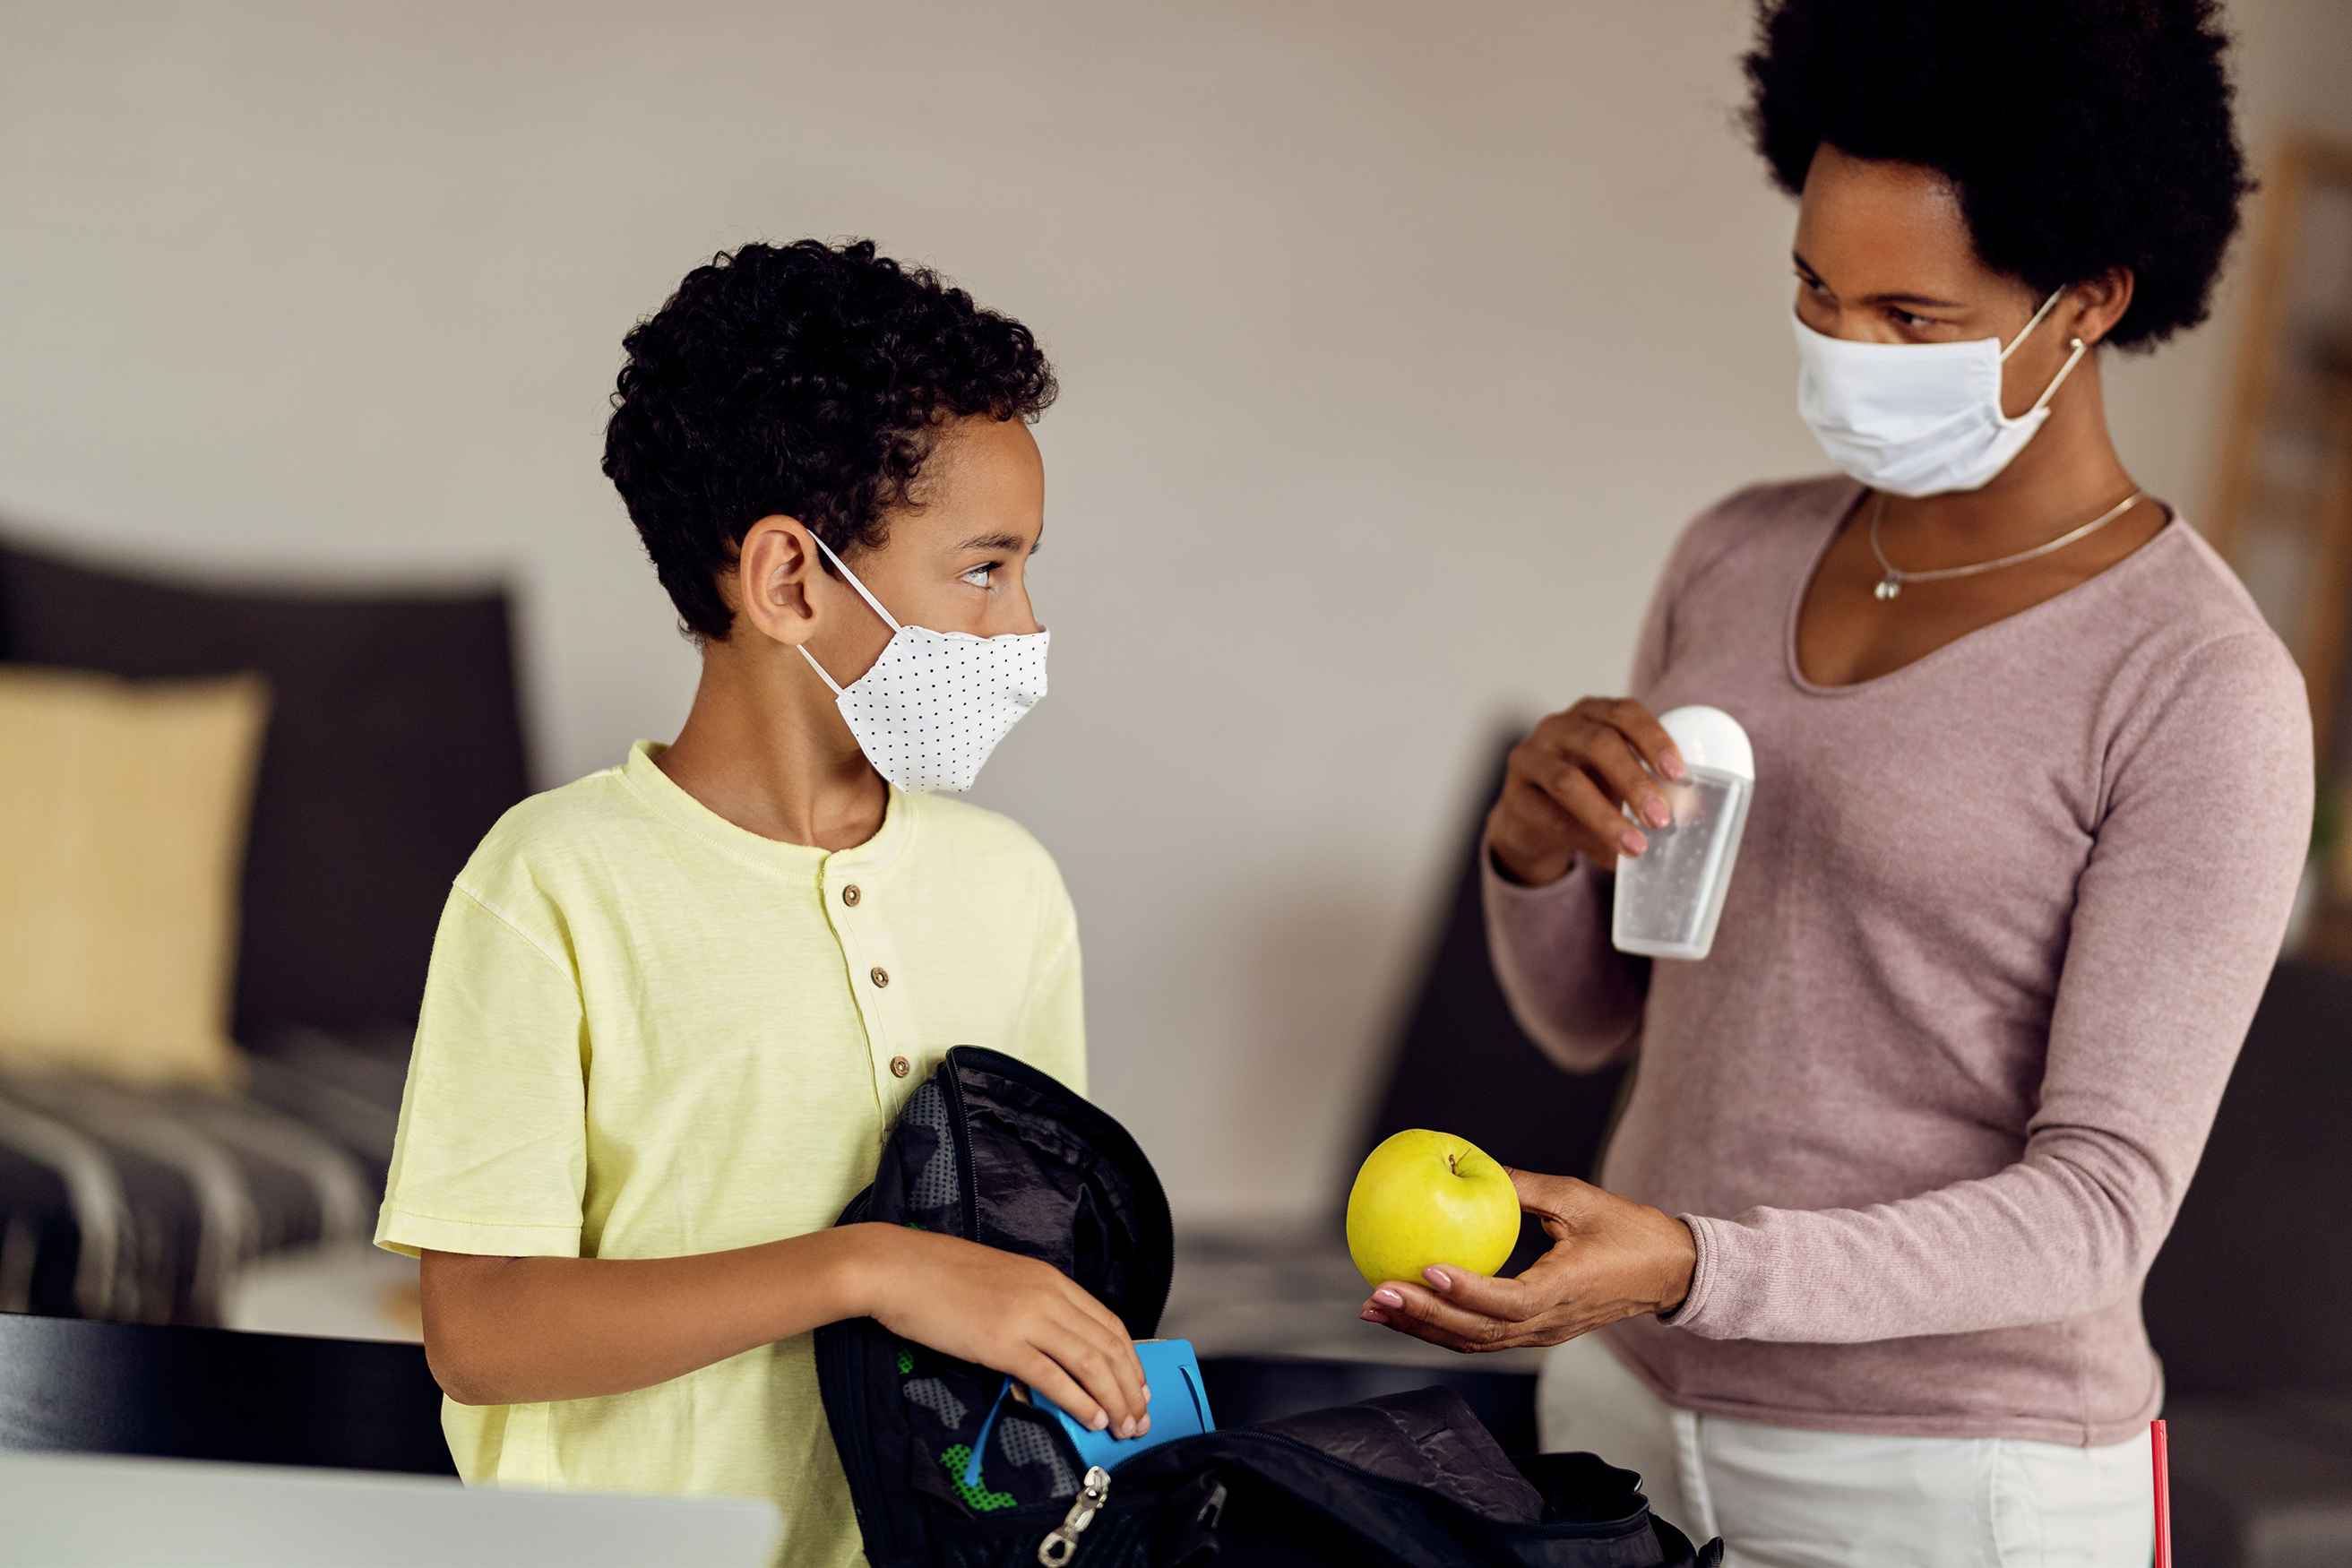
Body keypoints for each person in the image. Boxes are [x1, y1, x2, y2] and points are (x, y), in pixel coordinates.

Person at [1357, 1, 2312, 1560]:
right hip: (1622, 1412)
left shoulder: (2196, 684)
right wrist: (1532, 851)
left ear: (2084, 301)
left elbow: (2094, 1209)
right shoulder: (1733, 551)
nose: (1845, 350)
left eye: (1911, 316)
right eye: (1815, 289)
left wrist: (1692, 1264)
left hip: (1948, 1477)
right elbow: (1606, 1018)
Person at [375, 239, 1148, 1568]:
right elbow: (481, 1332)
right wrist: (864, 1266)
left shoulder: (1012, 889)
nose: (1024, 626)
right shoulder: (553, 882)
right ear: (791, 580)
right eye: (984, 568)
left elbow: (1023, 1281)